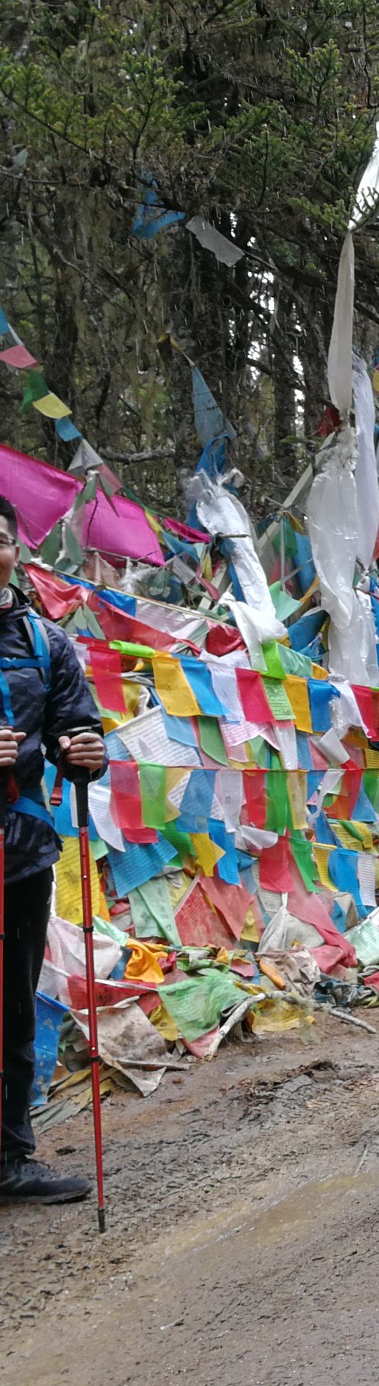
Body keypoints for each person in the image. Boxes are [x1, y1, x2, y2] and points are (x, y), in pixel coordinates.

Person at [0, 495, 106, 1203]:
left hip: (22, 854)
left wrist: (87, 754)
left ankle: (10, 1159)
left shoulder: (47, 643)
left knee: (11, 1008)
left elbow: (78, 732)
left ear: (15, 549)